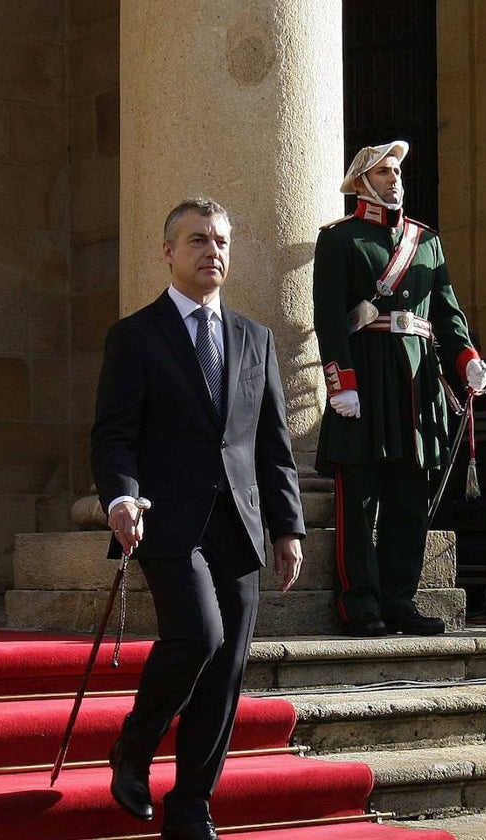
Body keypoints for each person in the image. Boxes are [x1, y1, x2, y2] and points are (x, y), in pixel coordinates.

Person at [91, 198, 305, 840]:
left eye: (221, 241)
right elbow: (113, 435)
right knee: (199, 638)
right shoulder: (136, 335)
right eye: (197, 240)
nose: (213, 251)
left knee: (227, 671)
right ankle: (135, 744)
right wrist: (120, 498)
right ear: (168, 251)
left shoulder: (254, 338)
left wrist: (288, 526)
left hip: (238, 525)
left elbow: (274, 443)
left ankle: (190, 807)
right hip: (166, 523)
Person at [312, 141, 486, 638]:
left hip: (416, 384)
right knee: (360, 501)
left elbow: (448, 316)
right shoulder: (340, 239)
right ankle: (360, 606)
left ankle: (400, 601)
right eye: (384, 172)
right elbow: (329, 320)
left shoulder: (426, 241)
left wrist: (468, 360)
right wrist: (340, 382)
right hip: (365, 380)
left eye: (397, 172)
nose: (395, 179)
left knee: (410, 501)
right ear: (362, 182)